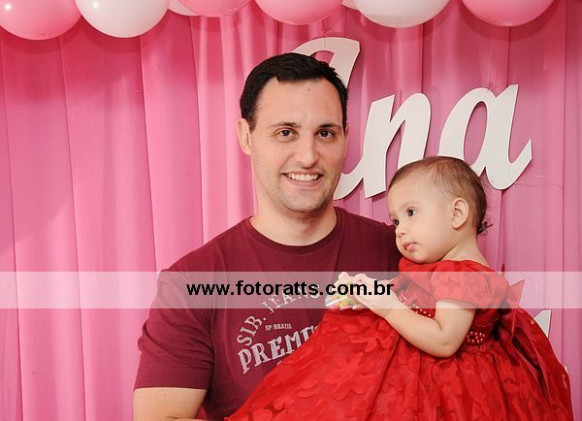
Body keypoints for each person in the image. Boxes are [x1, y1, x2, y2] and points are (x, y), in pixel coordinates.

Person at [132, 52, 400, 421]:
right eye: (286, 132)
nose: (308, 156)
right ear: (247, 136)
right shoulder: (192, 283)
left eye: (325, 133)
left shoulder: (399, 252)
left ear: (346, 138)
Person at [227, 156, 574, 420]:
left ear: (457, 214)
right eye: (396, 220)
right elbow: (410, 299)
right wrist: (364, 295)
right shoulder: (436, 268)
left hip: (453, 387)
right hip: (418, 373)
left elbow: (444, 340)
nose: (400, 229)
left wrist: (388, 306)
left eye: (411, 213)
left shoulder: (465, 274)